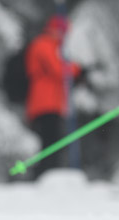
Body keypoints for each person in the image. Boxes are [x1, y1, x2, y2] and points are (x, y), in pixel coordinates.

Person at [25, 15, 82, 178]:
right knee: (49, 140)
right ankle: (44, 175)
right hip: (44, 102)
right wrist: (77, 70)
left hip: (52, 103)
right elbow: (58, 69)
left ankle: (48, 174)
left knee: (53, 139)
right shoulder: (43, 44)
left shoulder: (53, 47)